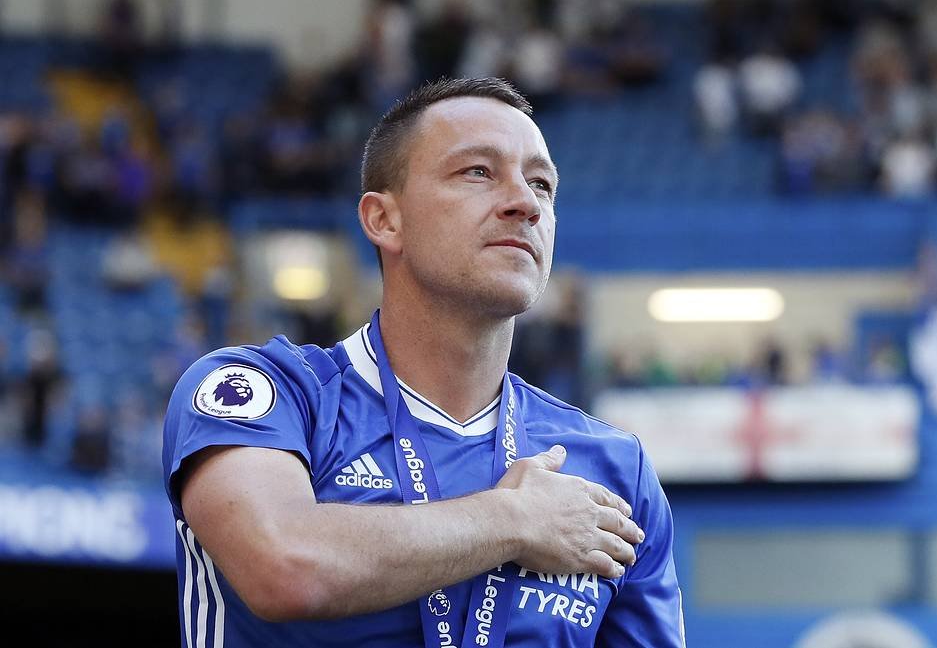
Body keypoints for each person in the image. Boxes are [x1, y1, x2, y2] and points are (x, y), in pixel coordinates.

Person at [162, 77, 685, 647]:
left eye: (541, 184)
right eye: (478, 172)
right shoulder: (267, 393)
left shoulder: (615, 468)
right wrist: (514, 520)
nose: (526, 203)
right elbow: (285, 566)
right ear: (384, 220)